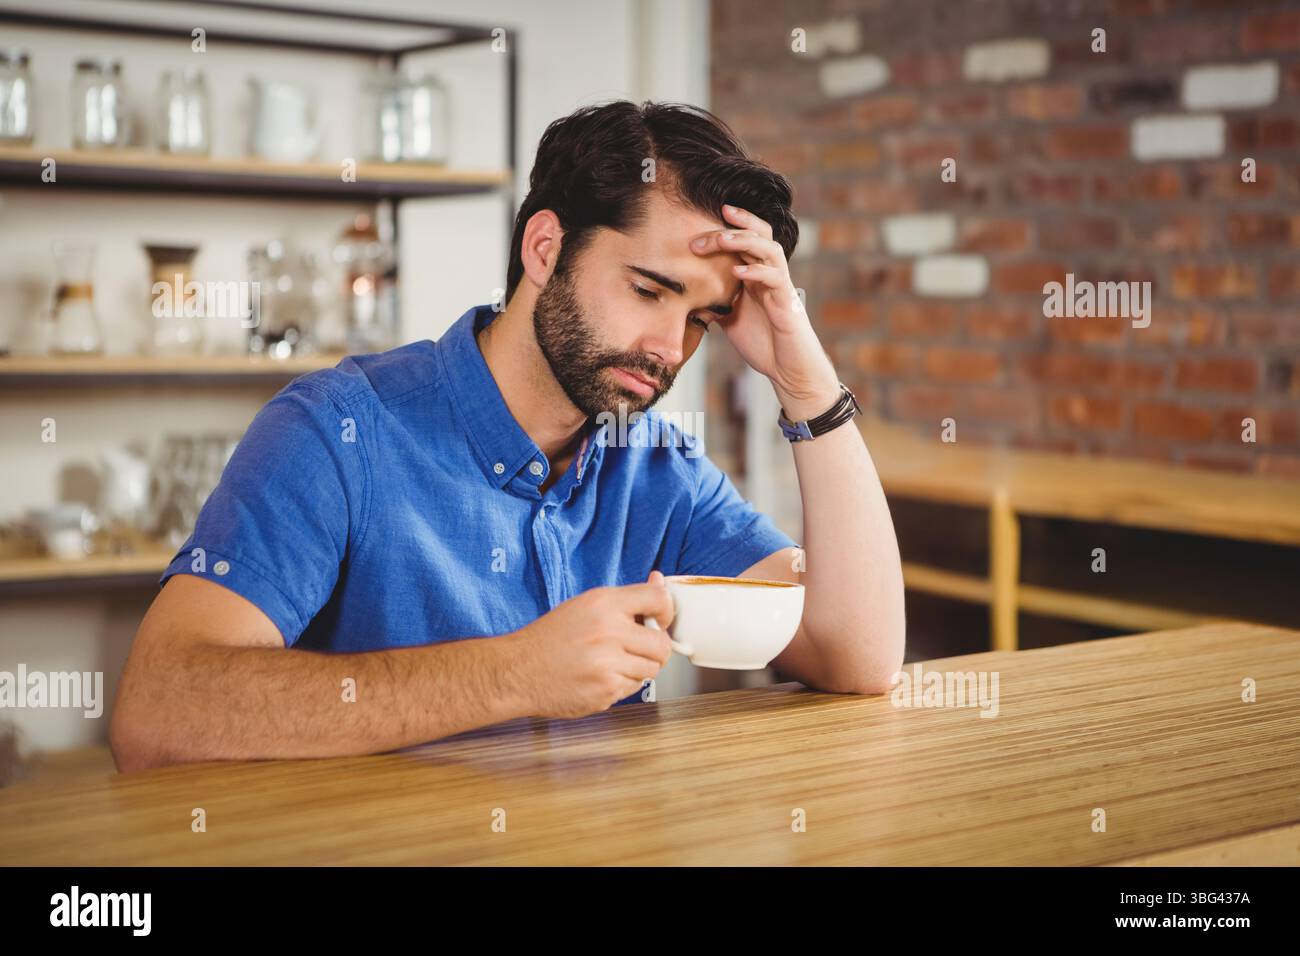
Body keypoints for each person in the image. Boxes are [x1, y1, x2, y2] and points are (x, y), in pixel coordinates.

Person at [110, 101, 905, 771]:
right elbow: (159, 711)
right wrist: (513, 674)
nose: (671, 348)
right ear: (545, 248)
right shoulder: (338, 429)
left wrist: (808, 385)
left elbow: (858, 657)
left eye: (702, 318)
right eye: (648, 290)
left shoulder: (659, 465)